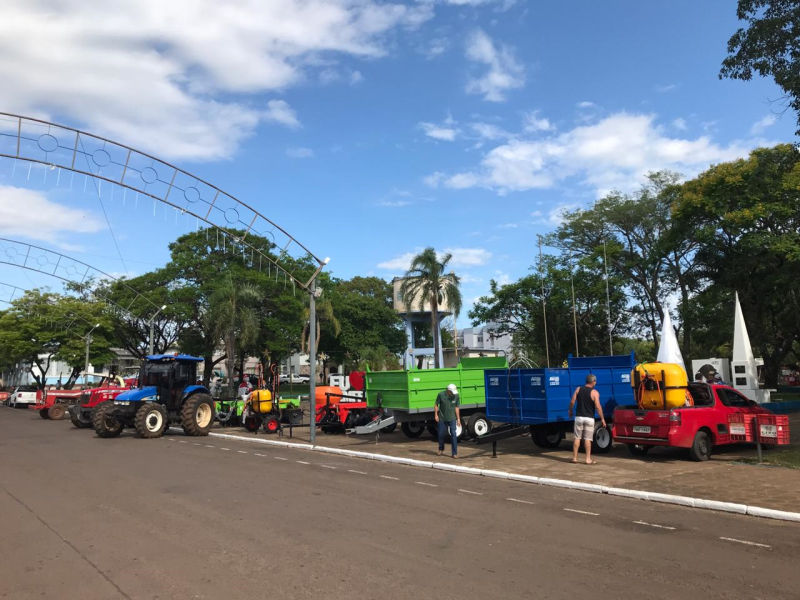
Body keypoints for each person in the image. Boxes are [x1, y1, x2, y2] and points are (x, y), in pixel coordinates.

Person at [568, 374, 606, 465]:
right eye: (595, 381)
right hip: (589, 418)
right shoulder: (595, 392)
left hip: (579, 417)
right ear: (593, 382)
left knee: (577, 437)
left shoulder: (578, 389)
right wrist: (602, 419)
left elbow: (572, 401)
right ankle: (588, 459)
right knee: (587, 439)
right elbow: (598, 407)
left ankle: (574, 458)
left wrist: (570, 410)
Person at [434, 383, 461, 459]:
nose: (453, 394)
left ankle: (454, 453)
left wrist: (458, 419)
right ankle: (441, 448)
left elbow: (457, 407)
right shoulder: (441, 395)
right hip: (442, 418)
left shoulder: (456, 396)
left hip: (452, 418)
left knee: (453, 434)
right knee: (441, 434)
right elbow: (436, 404)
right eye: (452, 392)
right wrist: (436, 414)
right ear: (448, 391)